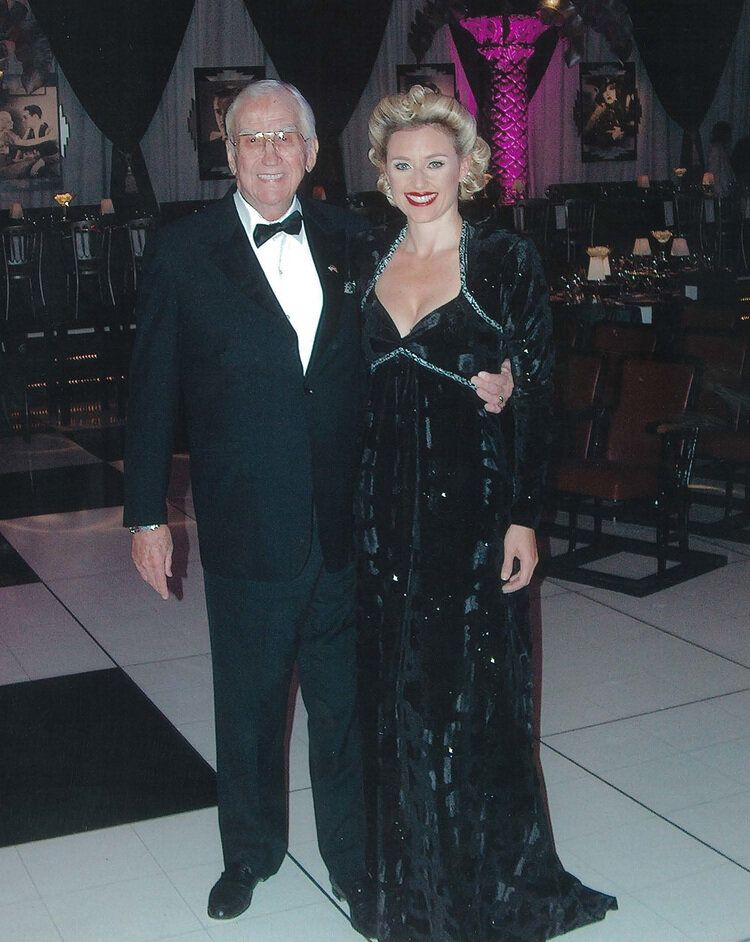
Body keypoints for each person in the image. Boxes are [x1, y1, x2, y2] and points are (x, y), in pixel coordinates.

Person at [123, 78, 506, 936]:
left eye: (283, 139)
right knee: (249, 706)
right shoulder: (185, 253)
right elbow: (150, 394)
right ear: (228, 154)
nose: (268, 155)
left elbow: (434, 306)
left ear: (308, 151)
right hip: (243, 525)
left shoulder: (353, 238)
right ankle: (248, 855)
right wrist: (145, 515)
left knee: (345, 709)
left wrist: (497, 368)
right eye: (250, 141)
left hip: (347, 524)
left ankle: (353, 859)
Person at [356, 85, 617, 942]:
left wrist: (523, 516)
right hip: (382, 515)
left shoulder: (504, 261)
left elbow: (540, 395)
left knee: (469, 703)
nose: (421, 178)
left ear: (468, 168)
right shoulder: (365, 257)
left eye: (437, 161)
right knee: (398, 701)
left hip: (472, 517)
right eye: (404, 165)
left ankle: (482, 887)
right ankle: (412, 887)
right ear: (383, 177)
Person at [707, 121, 736, 197]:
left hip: (725, 191)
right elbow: (712, 171)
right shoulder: (716, 149)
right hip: (720, 192)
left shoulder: (722, 149)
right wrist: (717, 191)